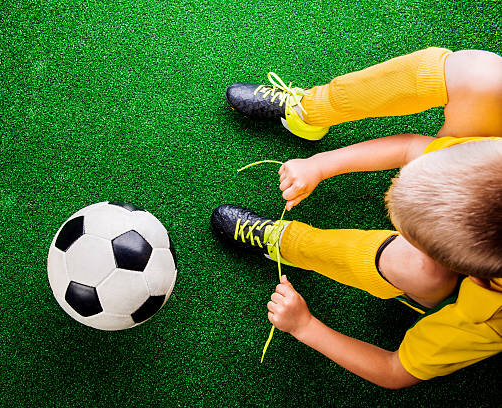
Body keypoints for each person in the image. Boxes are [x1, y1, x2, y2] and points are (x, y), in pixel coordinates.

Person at [211, 47, 502, 389]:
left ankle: (288, 243)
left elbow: (395, 371)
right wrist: (320, 164)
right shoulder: (483, 165)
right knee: (483, 75)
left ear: (481, 280)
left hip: (459, 287)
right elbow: (410, 149)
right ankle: (308, 111)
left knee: (419, 268)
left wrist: (305, 326)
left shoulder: (492, 321)